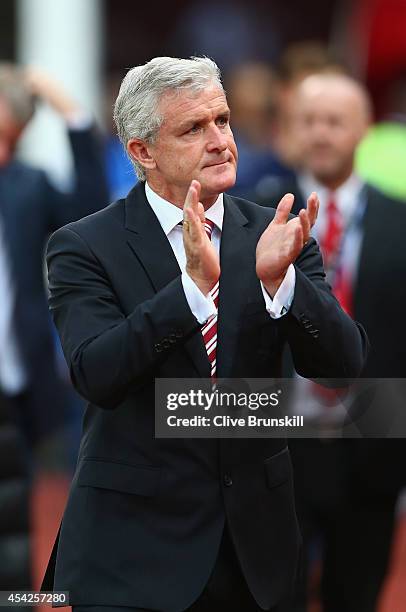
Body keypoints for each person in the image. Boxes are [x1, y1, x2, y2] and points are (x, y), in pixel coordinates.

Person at [41, 57, 367, 612]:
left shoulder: (276, 232)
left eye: (223, 120)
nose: (220, 141)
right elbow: (96, 372)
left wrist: (282, 284)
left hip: (254, 557)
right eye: (194, 128)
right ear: (142, 152)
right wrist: (190, 292)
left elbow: (343, 364)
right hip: (131, 553)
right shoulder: (83, 246)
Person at [260, 72, 406, 612]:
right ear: (290, 130)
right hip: (275, 443)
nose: (320, 133)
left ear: (364, 128)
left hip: (374, 443)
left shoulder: (399, 220)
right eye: (308, 121)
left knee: (357, 594)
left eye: (334, 121)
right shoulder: (249, 215)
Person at [0, 63, 108, 597]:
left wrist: (69, 111)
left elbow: (90, 209)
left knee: (16, 521)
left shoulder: (28, 186)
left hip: (18, 382)